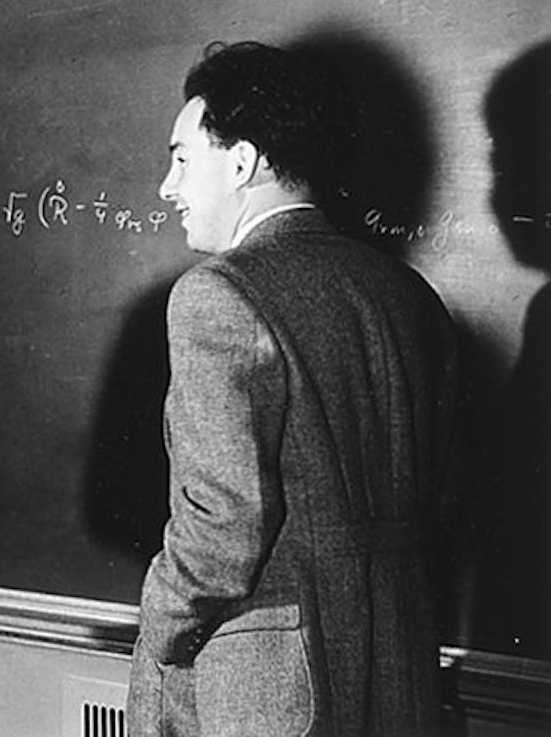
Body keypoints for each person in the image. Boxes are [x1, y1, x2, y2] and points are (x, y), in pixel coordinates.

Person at [127, 41, 461, 736]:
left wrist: (159, 627)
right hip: (400, 670)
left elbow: (222, 526)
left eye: (182, 159)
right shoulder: (409, 294)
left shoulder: (218, 293)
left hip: (273, 688)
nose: (167, 186)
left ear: (242, 162)